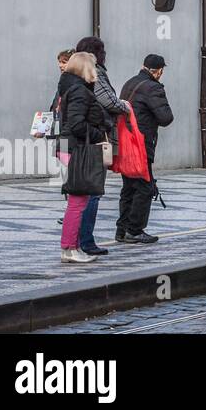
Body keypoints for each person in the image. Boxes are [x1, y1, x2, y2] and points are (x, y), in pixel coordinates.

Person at [73, 37, 130, 256]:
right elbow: (108, 100)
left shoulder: (72, 77)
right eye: (102, 50)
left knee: (80, 194)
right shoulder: (94, 73)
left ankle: (76, 240)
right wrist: (123, 106)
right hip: (95, 140)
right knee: (92, 193)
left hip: (79, 142)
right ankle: (85, 240)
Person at [117, 54, 174, 244]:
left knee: (128, 187)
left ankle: (122, 229)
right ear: (158, 71)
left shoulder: (129, 83)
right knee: (144, 187)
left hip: (126, 140)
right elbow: (166, 118)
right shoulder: (153, 87)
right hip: (141, 143)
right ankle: (134, 230)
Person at [59, 52, 110, 264]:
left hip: (72, 147)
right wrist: (99, 135)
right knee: (78, 201)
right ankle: (70, 249)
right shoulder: (80, 90)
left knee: (78, 200)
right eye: (93, 65)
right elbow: (77, 124)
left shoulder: (72, 87)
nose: (96, 69)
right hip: (78, 148)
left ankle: (74, 246)